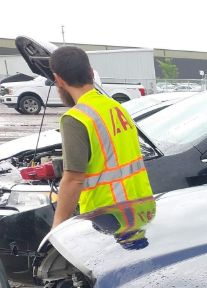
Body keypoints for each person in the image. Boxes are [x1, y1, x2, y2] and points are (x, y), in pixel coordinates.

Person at [49, 46, 153, 229]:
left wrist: (58, 225)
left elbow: (74, 179)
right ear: (90, 72)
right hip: (139, 205)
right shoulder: (115, 106)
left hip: (106, 215)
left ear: (58, 80)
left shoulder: (76, 118)